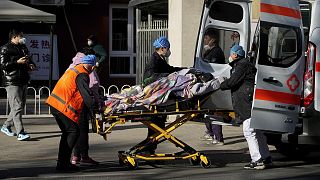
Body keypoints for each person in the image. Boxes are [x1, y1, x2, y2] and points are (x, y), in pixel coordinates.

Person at [220, 45, 272, 170]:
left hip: (245, 102)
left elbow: (232, 82)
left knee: (248, 131)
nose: (230, 56)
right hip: (247, 99)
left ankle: (257, 160)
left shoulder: (241, 65)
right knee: (257, 131)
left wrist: (221, 85)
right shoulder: (244, 64)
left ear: (235, 55)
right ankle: (266, 157)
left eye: (231, 54)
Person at [46, 54, 96, 172]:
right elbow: (86, 95)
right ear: (92, 67)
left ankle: (62, 163)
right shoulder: (82, 74)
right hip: (61, 106)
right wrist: (94, 108)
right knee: (73, 131)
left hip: (55, 104)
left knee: (68, 133)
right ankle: (63, 164)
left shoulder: (75, 70)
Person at [142, 36, 183, 154]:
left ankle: (150, 149)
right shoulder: (153, 60)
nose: (169, 50)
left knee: (158, 124)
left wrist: (182, 70)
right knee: (155, 124)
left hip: (158, 94)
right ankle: (148, 149)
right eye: (168, 48)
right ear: (162, 48)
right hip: (154, 94)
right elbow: (150, 77)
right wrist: (166, 76)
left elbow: (169, 69)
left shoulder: (160, 59)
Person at [0, 28, 36, 141]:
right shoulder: (5, 48)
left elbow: (29, 59)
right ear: (14, 37)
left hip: (23, 80)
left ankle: (6, 126)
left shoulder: (23, 48)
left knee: (19, 106)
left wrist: (31, 65)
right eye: (21, 36)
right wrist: (16, 62)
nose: (23, 38)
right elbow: (3, 65)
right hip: (12, 81)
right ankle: (20, 132)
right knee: (17, 106)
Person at [67, 47, 101, 166]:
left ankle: (75, 156)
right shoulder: (84, 70)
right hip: (80, 104)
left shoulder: (73, 66)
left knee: (76, 131)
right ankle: (81, 156)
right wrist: (96, 104)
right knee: (81, 131)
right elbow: (92, 86)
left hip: (71, 104)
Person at [200, 30, 225, 145]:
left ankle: (218, 137)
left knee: (215, 111)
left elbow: (212, 67)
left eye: (206, 38)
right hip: (208, 83)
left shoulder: (216, 52)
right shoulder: (210, 51)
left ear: (212, 39)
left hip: (214, 83)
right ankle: (210, 133)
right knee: (208, 109)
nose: (205, 40)